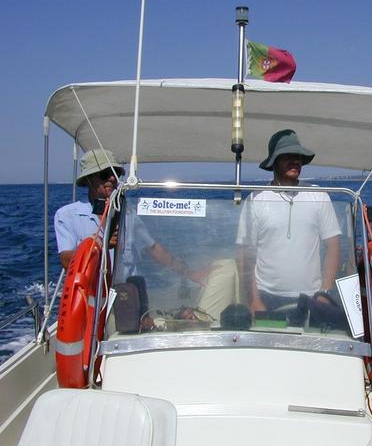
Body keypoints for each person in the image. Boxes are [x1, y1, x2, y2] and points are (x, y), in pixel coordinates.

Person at [54, 149, 205, 283]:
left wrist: (189, 273)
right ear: (88, 179)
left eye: (116, 173)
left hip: (127, 296)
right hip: (93, 299)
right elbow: (67, 261)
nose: (112, 179)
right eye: (105, 174)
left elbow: (153, 248)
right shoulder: (67, 216)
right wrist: (100, 245)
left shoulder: (128, 213)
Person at [236, 129, 341, 314]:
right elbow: (245, 255)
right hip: (265, 297)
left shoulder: (319, 195)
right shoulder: (255, 199)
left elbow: (333, 246)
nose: (296, 161)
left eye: (298, 156)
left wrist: (325, 293)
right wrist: (253, 300)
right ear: (274, 162)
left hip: (313, 297)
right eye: (288, 156)